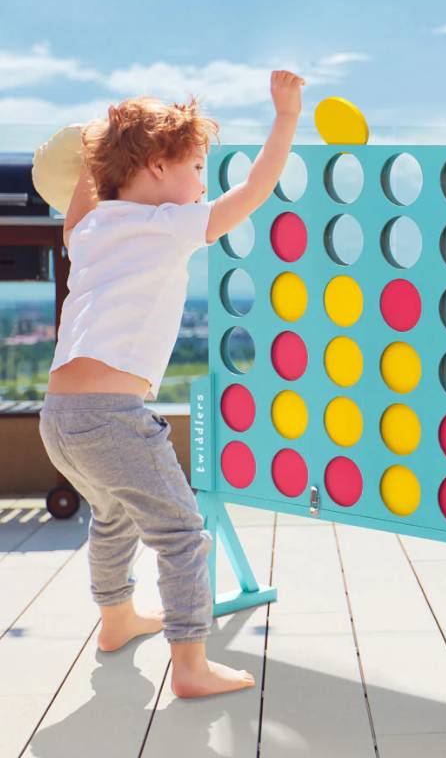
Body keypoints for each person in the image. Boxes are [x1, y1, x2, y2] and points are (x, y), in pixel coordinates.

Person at [38, 70, 304, 697]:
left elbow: (75, 216)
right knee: (183, 534)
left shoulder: (93, 232)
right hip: (112, 416)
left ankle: (116, 621)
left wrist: (86, 158)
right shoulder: (169, 223)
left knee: (113, 517)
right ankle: (190, 665)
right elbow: (257, 188)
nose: (202, 184)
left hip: (59, 417)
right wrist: (286, 117)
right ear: (157, 167)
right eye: (196, 167)